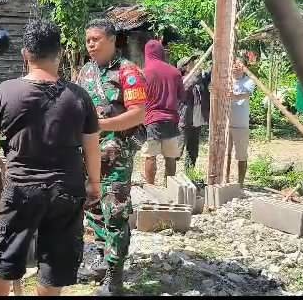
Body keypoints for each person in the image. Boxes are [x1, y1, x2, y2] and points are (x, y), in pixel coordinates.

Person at [0, 20, 101, 296]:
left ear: (25, 54)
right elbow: (92, 147)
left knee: (4, 256)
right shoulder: (79, 97)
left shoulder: (6, 92)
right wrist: (94, 183)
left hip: (22, 190)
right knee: (53, 262)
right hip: (66, 191)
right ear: (59, 54)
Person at [75, 19, 147, 296]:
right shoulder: (86, 72)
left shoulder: (129, 72)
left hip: (116, 156)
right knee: (93, 209)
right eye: (87, 40)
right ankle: (101, 262)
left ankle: (115, 277)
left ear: (112, 40)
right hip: (88, 153)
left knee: (115, 212)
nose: (90, 45)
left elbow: (138, 114)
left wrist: (99, 125)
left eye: (95, 39)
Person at [142, 40, 184, 185]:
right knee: (170, 157)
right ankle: (169, 187)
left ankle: (150, 188)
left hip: (152, 119)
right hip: (171, 119)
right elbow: (181, 96)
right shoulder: (175, 72)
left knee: (150, 156)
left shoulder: (144, 73)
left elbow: (140, 98)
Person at [177, 55, 211, 170]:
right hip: (184, 121)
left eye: (194, 62)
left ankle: (189, 174)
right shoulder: (182, 80)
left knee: (193, 151)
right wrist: (197, 74)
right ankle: (169, 177)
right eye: (191, 63)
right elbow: (186, 87)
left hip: (196, 120)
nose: (195, 64)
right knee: (177, 151)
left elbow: (210, 74)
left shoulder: (200, 79)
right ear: (184, 67)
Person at [229, 56, 255, 186]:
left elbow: (246, 95)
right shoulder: (226, 80)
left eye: (239, 65)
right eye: (235, 64)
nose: (236, 67)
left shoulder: (248, 81)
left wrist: (234, 96)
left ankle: (240, 183)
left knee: (241, 155)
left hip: (241, 124)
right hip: (226, 124)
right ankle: (225, 180)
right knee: (225, 154)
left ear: (244, 68)